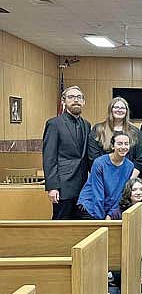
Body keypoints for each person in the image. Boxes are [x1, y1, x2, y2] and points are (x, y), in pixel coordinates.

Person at [43, 86, 91, 219]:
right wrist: (52, 187)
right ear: (64, 101)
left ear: (84, 102)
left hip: (82, 186)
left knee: (79, 228)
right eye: (71, 97)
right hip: (63, 187)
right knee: (60, 227)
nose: (76, 100)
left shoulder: (87, 124)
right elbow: (49, 157)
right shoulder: (54, 124)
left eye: (79, 97)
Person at [111, 178, 142, 294]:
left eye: (141, 189)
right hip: (123, 257)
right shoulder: (117, 214)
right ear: (128, 192)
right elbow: (114, 242)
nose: (138, 192)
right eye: (134, 189)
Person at [77, 133, 134, 219]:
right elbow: (97, 193)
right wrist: (101, 219)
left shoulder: (129, 166)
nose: (123, 147)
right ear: (112, 146)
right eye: (119, 143)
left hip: (109, 207)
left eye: (126, 144)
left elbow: (121, 193)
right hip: (91, 206)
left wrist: (110, 214)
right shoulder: (99, 163)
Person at [88, 97, 142, 178]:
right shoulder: (98, 129)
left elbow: (140, 160)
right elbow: (93, 158)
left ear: (126, 111)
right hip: (103, 178)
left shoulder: (135, 132)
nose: (119, 110)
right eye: (116, 107)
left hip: (129, 178)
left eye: (122, 108)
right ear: (110, 110)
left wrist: (129, 181)